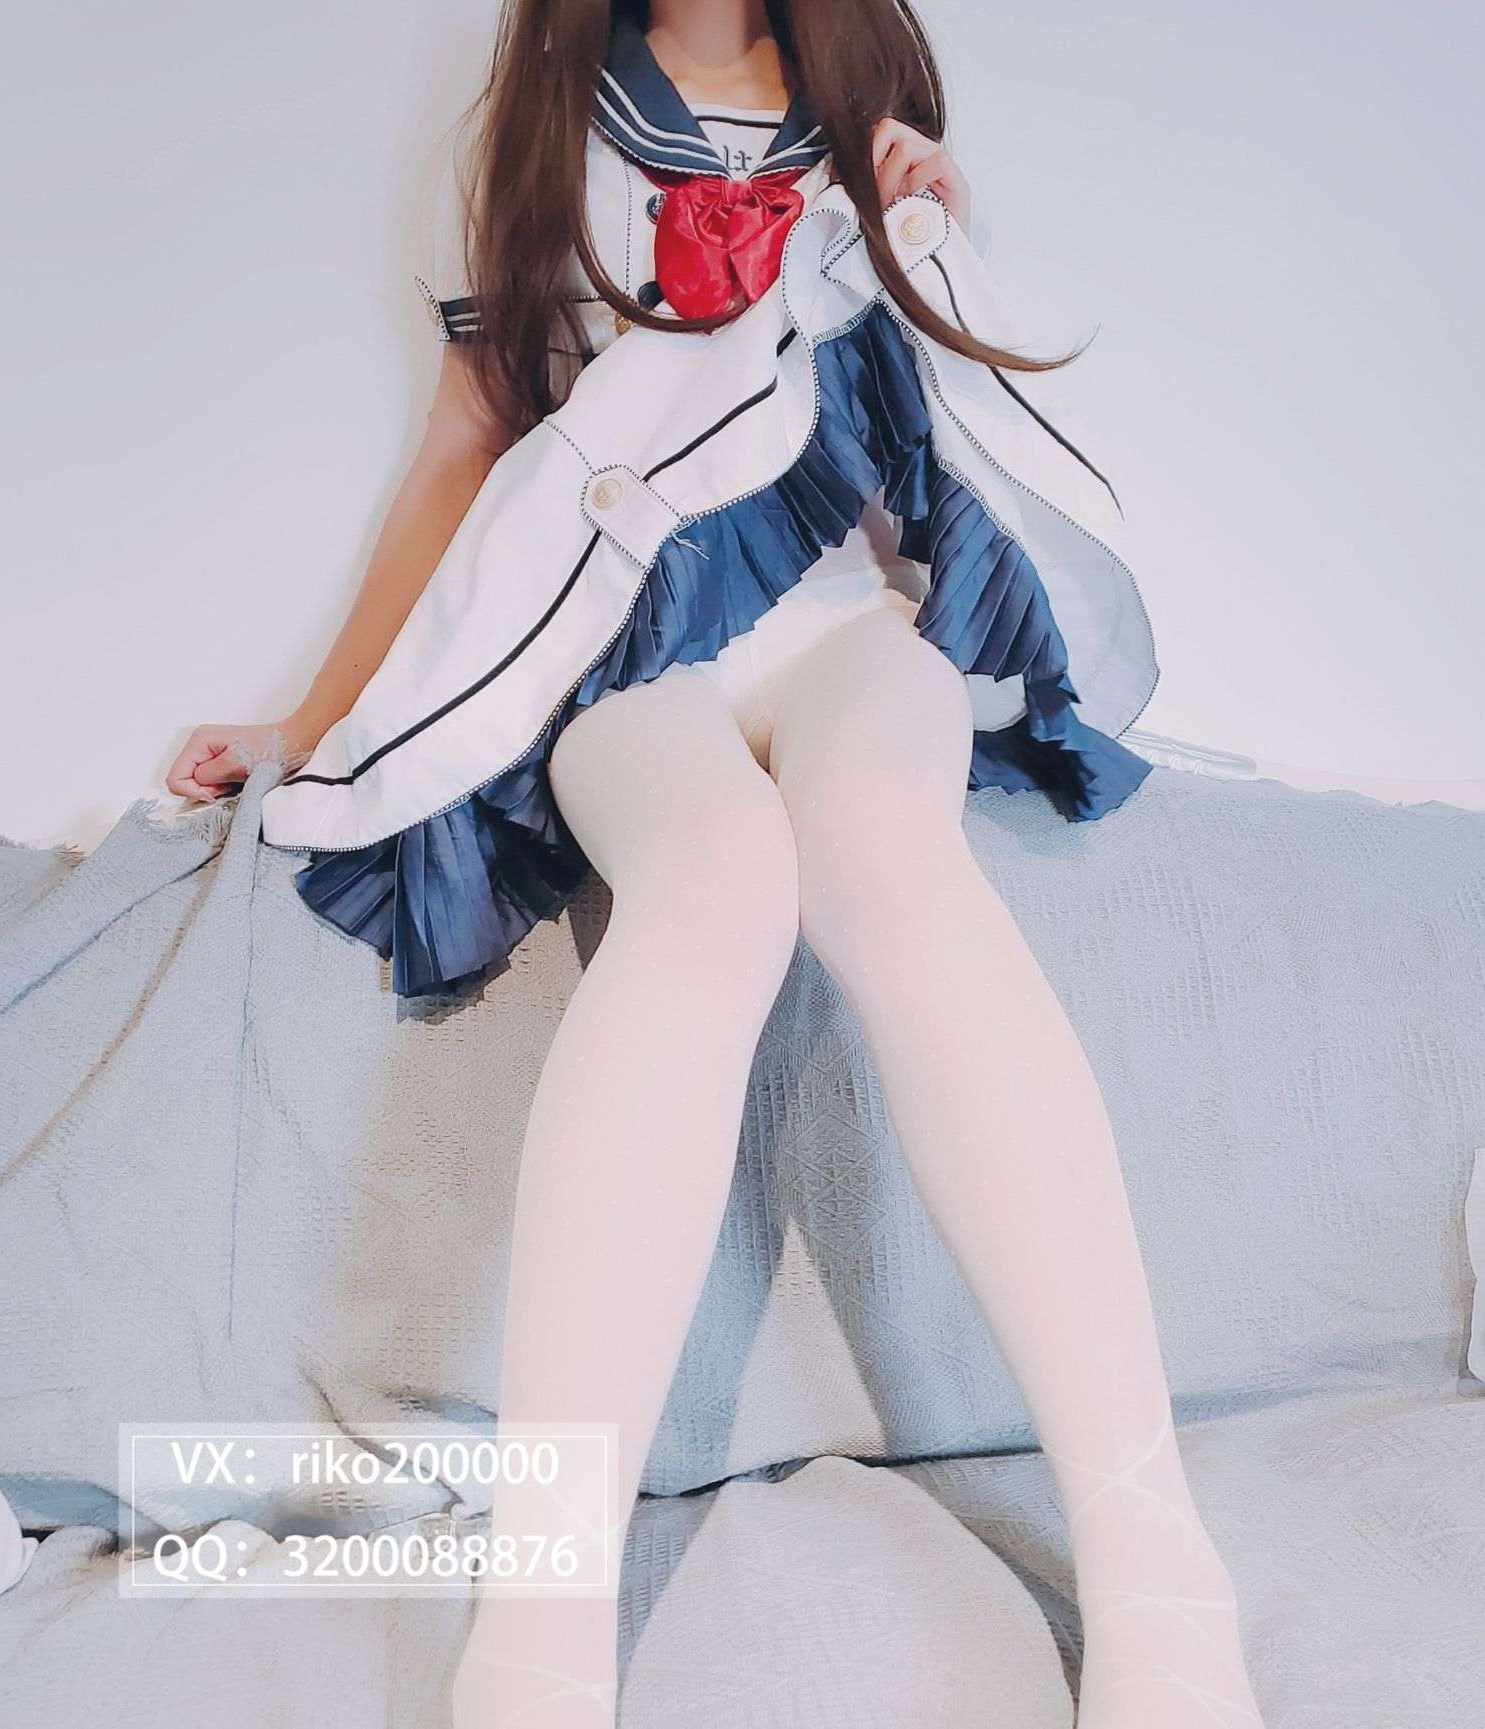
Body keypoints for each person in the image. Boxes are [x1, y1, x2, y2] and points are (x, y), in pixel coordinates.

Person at [166, 4, 1264, 1725]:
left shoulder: (866, 101)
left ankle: (1159, 1567)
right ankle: (542, 1630)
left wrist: (937, 230)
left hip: (843, 622)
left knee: (884, 848)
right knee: (714, 880)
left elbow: (928, 404)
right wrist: (309, 725)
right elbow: (466, 445)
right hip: (621, 657)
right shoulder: (533, 121)